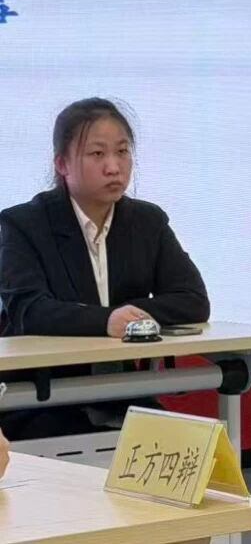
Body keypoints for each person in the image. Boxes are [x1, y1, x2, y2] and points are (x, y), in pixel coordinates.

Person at [0, 97, 210, 440]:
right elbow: (29, 311)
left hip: (120, 391)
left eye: (122, 152)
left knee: (183, 442)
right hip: (38, 395)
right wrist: (106, 320)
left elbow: (192, 300)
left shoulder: (147, 221)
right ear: (62, 164)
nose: (114, 167)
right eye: (97, 154)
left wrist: (126, 317)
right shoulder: (24, 224)